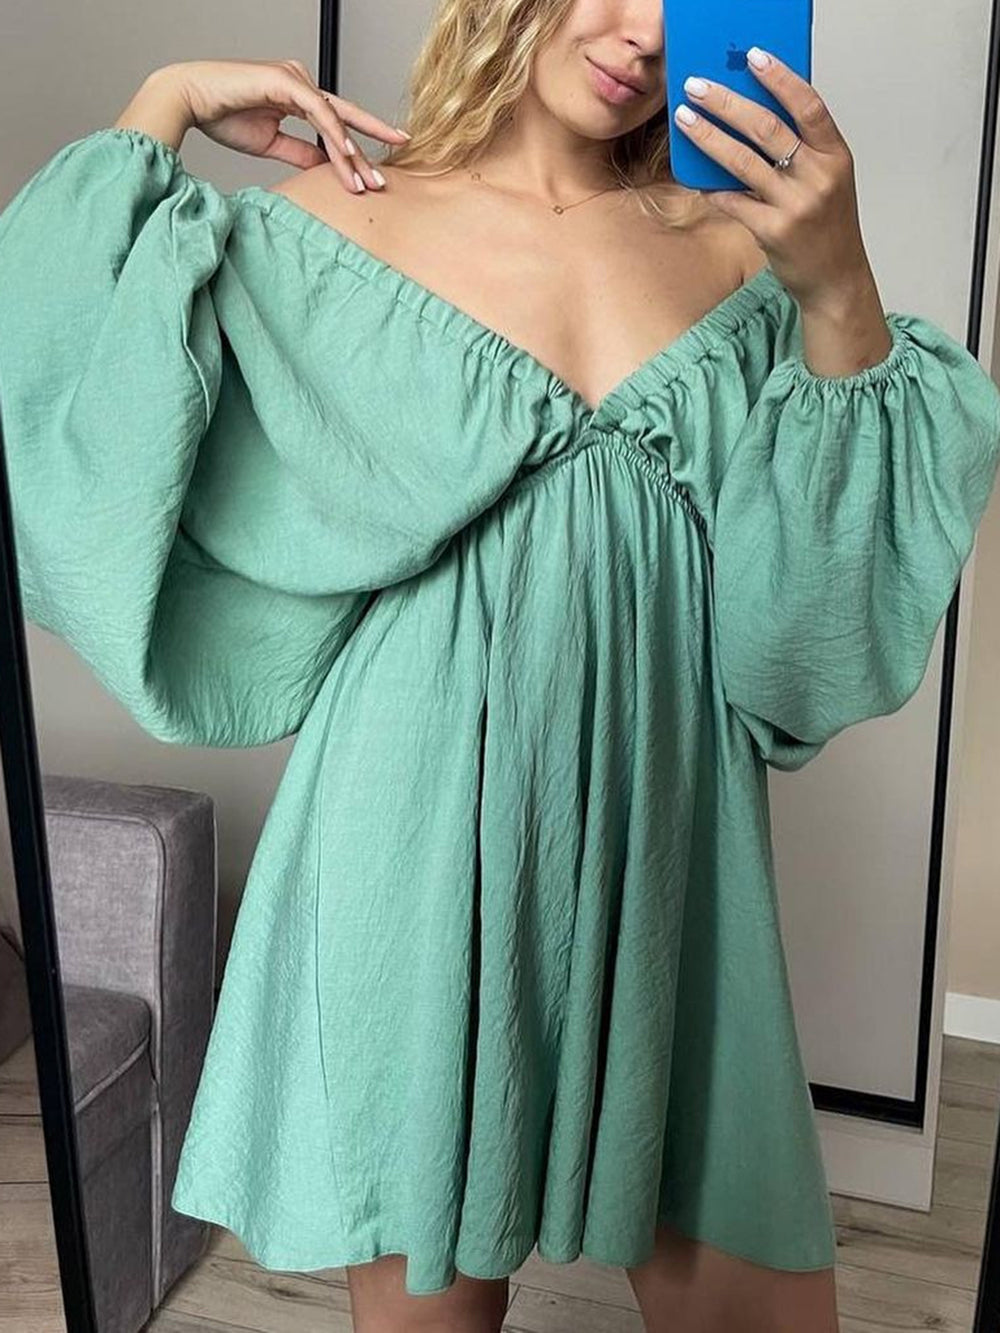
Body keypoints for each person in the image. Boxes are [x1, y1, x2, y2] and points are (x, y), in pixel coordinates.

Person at [1, 3, 999, 1331]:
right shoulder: (335, 226)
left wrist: (838, 288)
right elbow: (54, 393)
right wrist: (165, 99)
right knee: (430, 1311)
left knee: (751, 1302)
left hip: (674, 841)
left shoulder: (744, 253)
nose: (642, 33)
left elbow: (811, 646)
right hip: (405, 844)